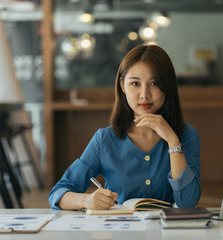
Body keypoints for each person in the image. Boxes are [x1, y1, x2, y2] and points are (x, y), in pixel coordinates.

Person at [49, 45, 201, 210]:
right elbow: (58, 193)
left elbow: (188, 202)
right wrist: (86, 200)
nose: (144, 94)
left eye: (154, 83)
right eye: (135, 83)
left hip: (168, 233)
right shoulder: (104, 139)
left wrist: (173, 142)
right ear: (122, 85)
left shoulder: (186, 135)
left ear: (168, 86)